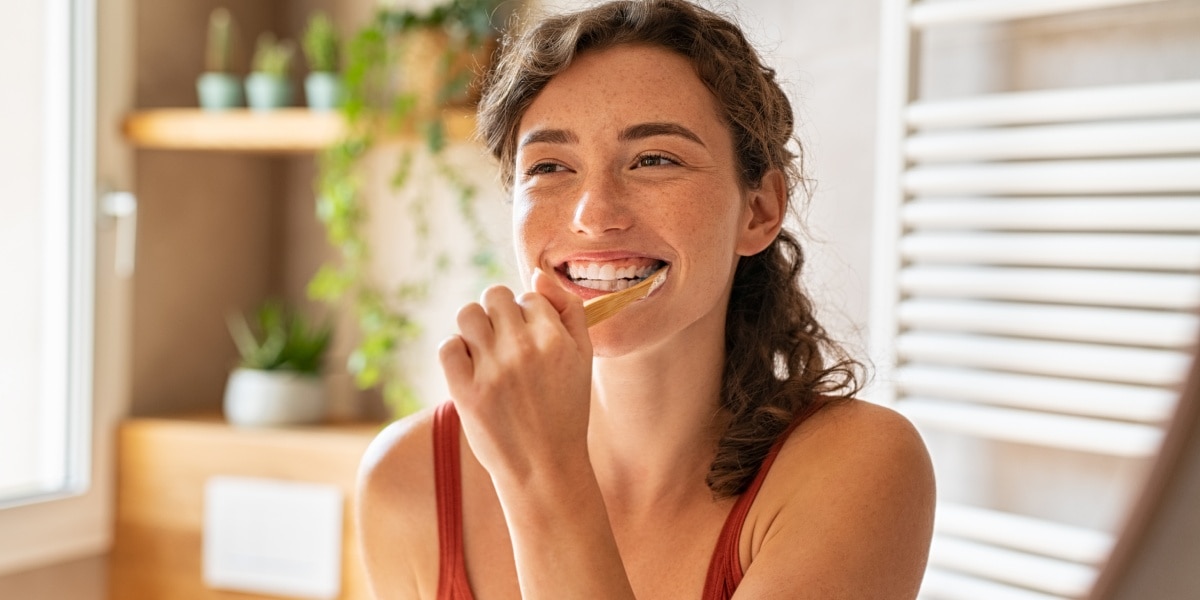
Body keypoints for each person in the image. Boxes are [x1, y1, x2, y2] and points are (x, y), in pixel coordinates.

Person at [356, 0, 936, 598]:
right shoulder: (410, 480)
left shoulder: (858, 470)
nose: (594, 214)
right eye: (550, 166)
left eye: (655, 159)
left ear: (758, 210)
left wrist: (544, 475)